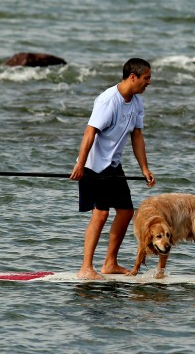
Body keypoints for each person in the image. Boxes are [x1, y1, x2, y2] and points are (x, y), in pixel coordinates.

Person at [70, 58, 156, 279]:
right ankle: (85, 268)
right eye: (146, 78)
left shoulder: (136, 102)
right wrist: (80, 164)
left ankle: (110, 263)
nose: (149, 82)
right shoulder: (109, 100)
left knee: (126, 211)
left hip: (114, 165)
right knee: (101, 213)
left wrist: (144, 168)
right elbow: (90, 132)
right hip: (94, 165)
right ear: (133, 77)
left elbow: (137, 135)